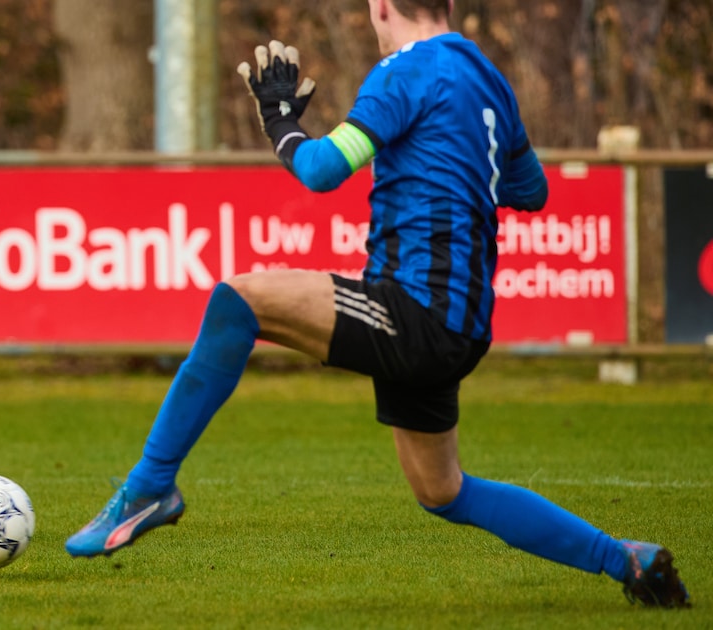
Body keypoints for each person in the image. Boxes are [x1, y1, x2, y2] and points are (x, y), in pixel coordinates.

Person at [65, 0, 690, 609]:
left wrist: (281, 123)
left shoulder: (406, 71)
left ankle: (150, 487)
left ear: (381, 5)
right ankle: (627, 559)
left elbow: (321, 170)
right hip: (461, 325)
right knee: (444, 491)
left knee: (239, 301)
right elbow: (532, 190)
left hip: (416, 311)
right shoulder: (488, 78)